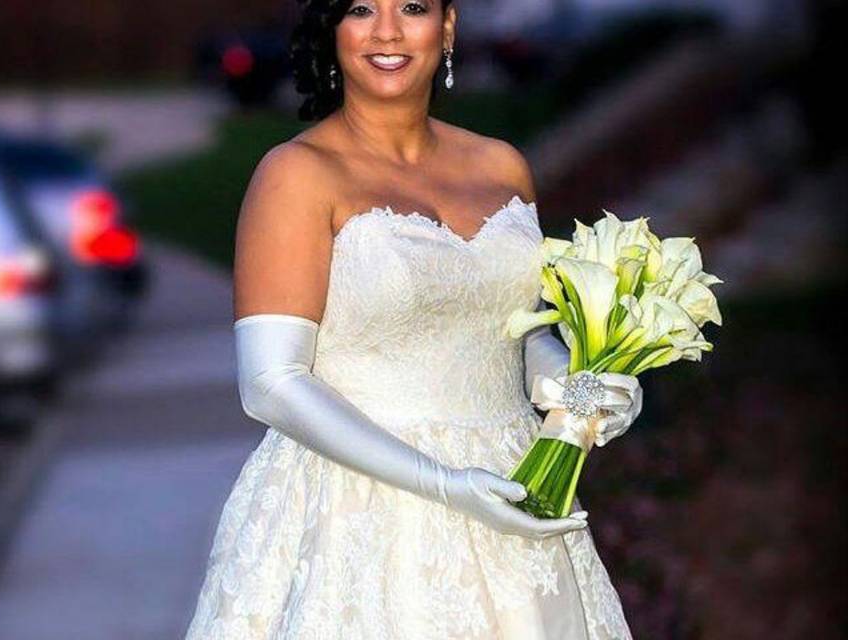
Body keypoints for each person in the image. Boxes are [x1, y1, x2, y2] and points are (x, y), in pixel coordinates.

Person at [184, 1, 641, 637]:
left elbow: (521, 330)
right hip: (357, 507)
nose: (389, 31)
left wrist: (585, 393)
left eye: (414, 7)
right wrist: (446, 485)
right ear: (333, 31)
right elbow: (270, 383)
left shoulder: (502, 166)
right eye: (362, 9)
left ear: (447, 27)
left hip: (513, 489)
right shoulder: (296, 175)